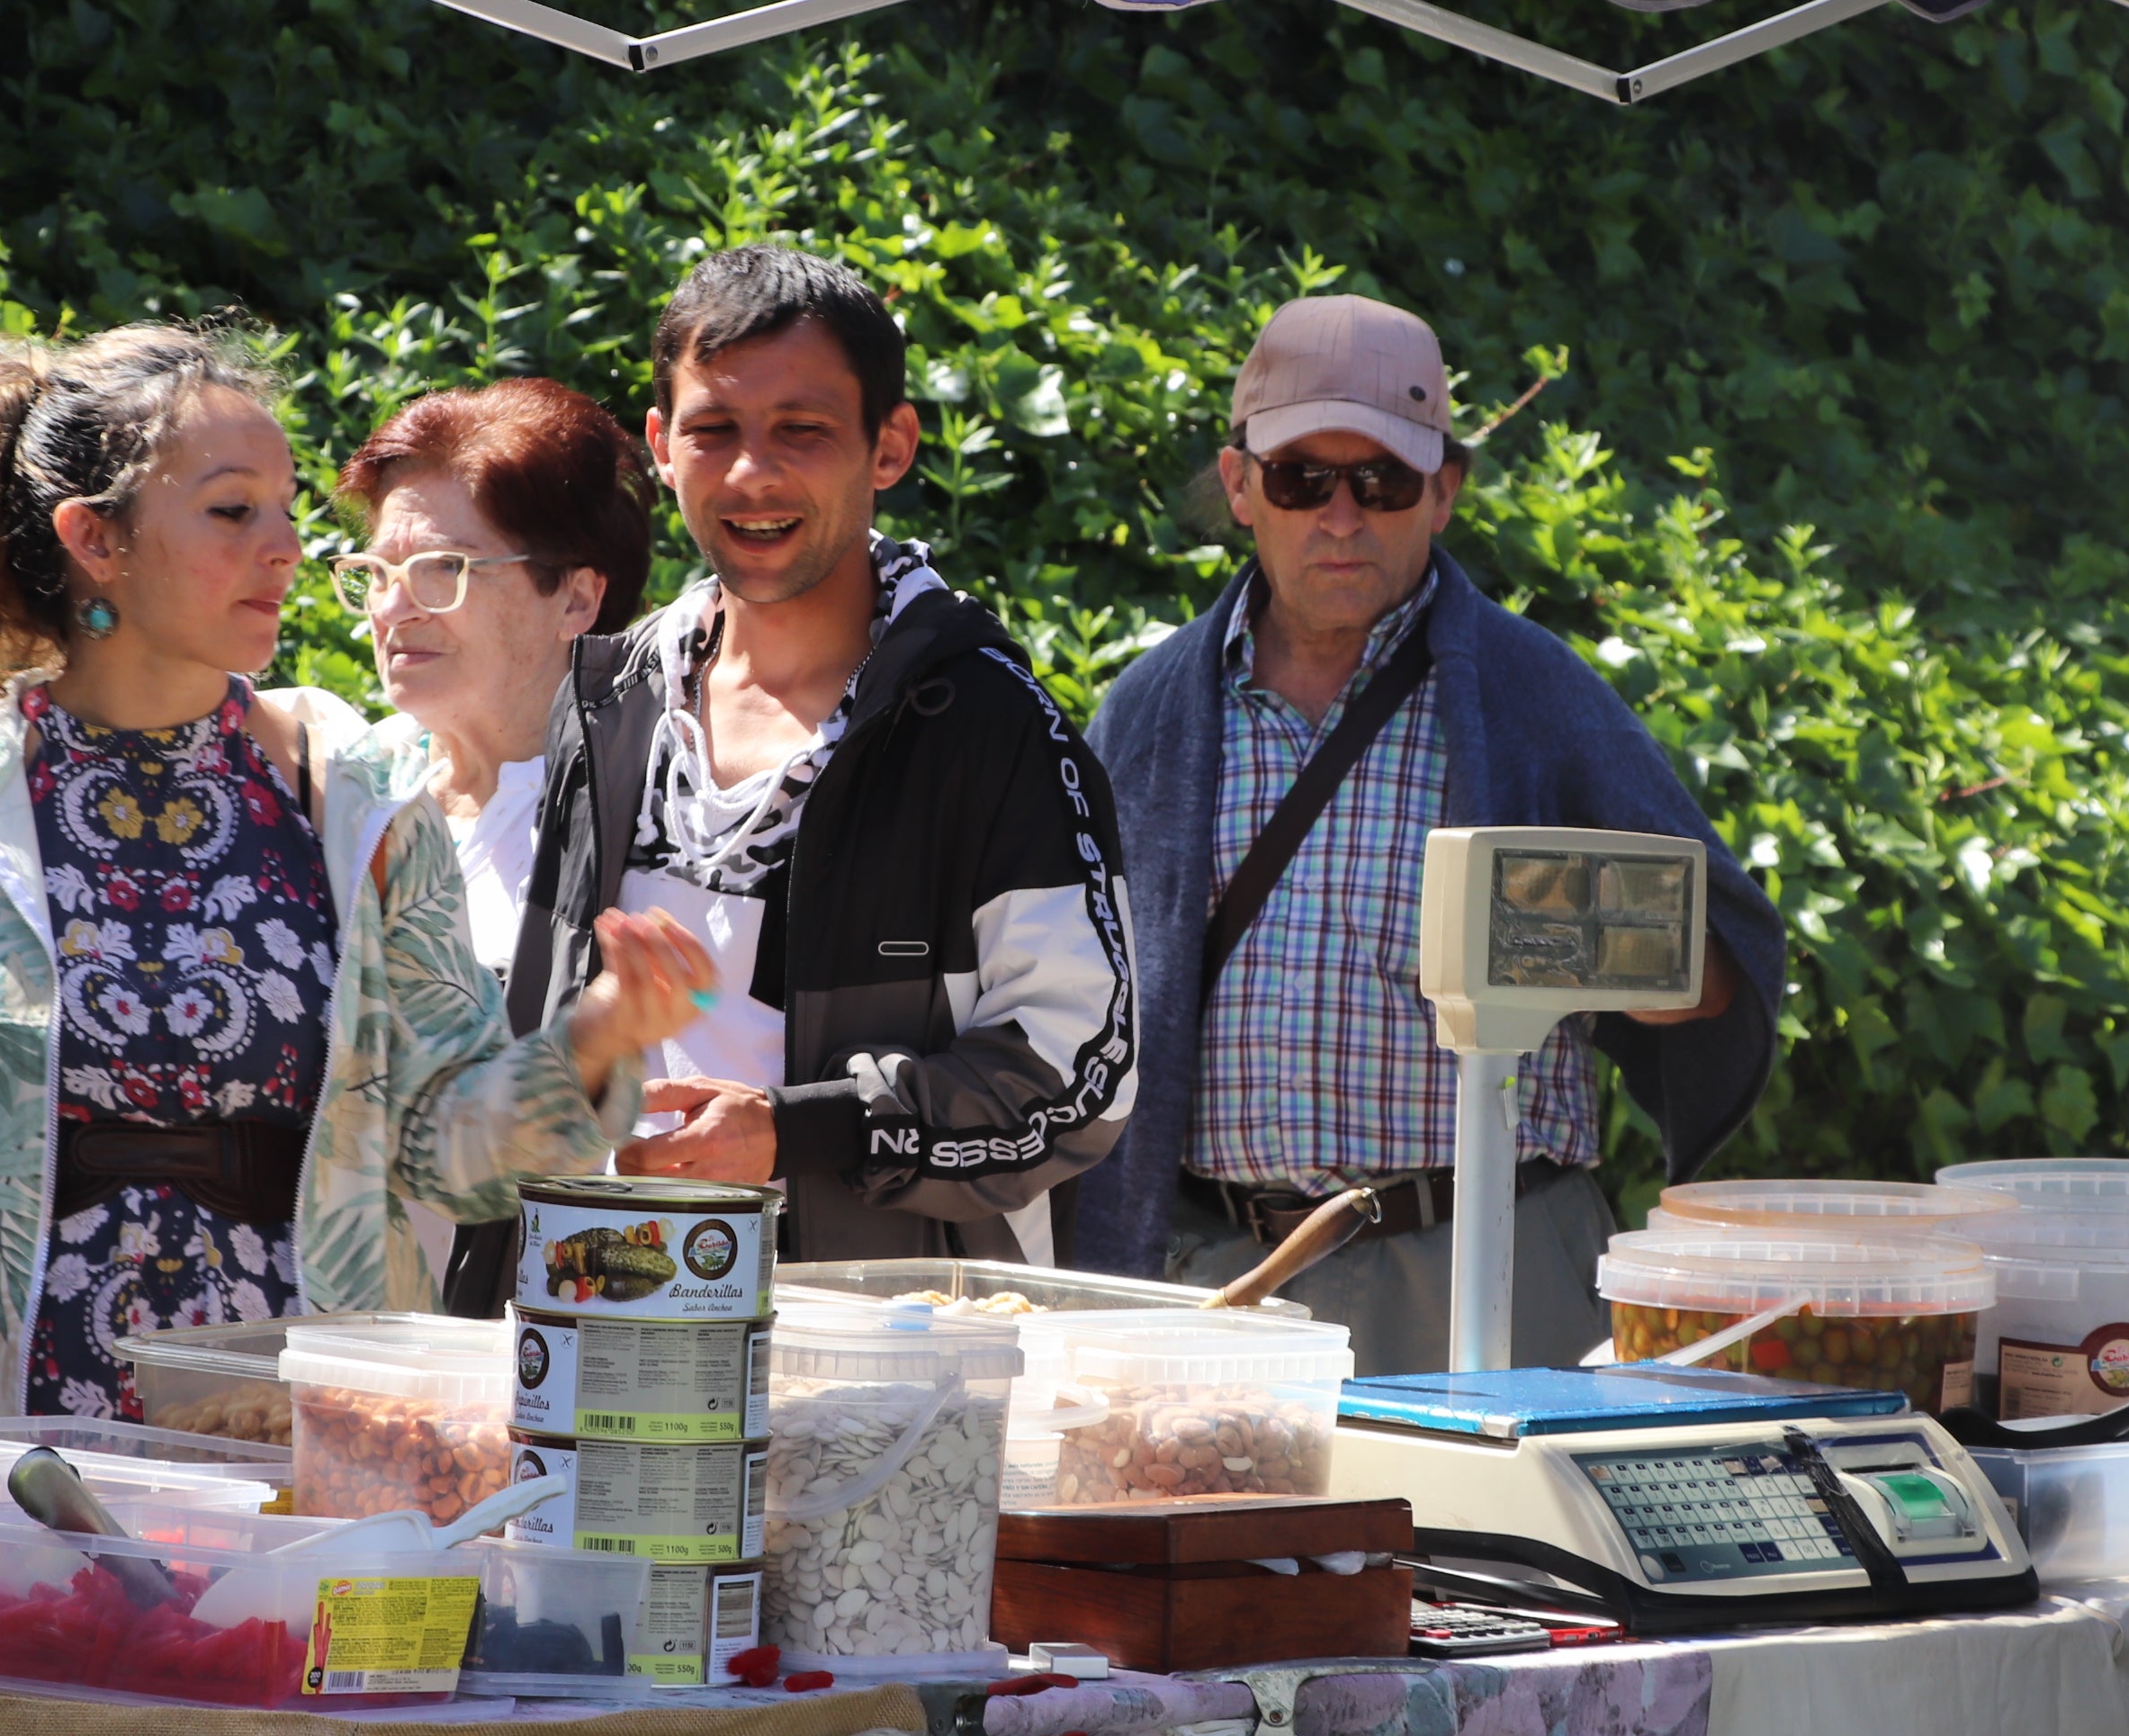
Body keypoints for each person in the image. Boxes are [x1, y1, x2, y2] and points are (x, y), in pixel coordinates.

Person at [0, 324, 712, 1427]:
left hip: (298, 1459)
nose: (287, 547)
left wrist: (596, 1040)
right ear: (96, 538)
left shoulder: (359, 807)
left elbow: (449, 1158)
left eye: (289, 510)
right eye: (235, 510)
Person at [1057, 295, 1782, 1372]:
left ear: (1444, 491)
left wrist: (1590, 941)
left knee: (1493, 1547)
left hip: (1485, 1261)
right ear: (1242, 484)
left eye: (1383, 482)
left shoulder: (1537, 693)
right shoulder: (1152, 708)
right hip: (1213, 1279)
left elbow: (1720, 973)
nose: (1341, 517)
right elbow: (1074, 997)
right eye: (1304, 478)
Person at [461, 244, 1136, 1296]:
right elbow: (537, 1043)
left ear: (891, 446)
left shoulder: (988, 725)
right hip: (609, 1318)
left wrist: (794, 1133)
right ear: (661, 446)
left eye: (803, 432)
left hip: (886, 1362)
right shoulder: (613, 701)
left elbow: (1080, 1075)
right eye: (715, 430)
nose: (752, 474)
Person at [329, 376, 654, 1270]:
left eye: (442, 569)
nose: (395, 607)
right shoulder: (345, 795)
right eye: (376, 574)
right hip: (365, 1335)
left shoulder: (651, 813)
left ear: (579, 599)